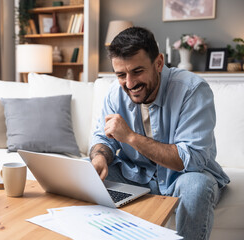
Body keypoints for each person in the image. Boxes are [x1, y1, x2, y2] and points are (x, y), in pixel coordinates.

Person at [90, 27, 230, 240]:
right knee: (83, 174)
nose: (129, 84)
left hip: (183, 177)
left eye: (137, 71)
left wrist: (130, 137)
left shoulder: (192, 90)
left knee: (196, 187)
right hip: (136, 175)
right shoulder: (115, 92)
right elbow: (103, 138)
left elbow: (190, 159)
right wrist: (99, 156)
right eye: (121, 75)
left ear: (158, 63)